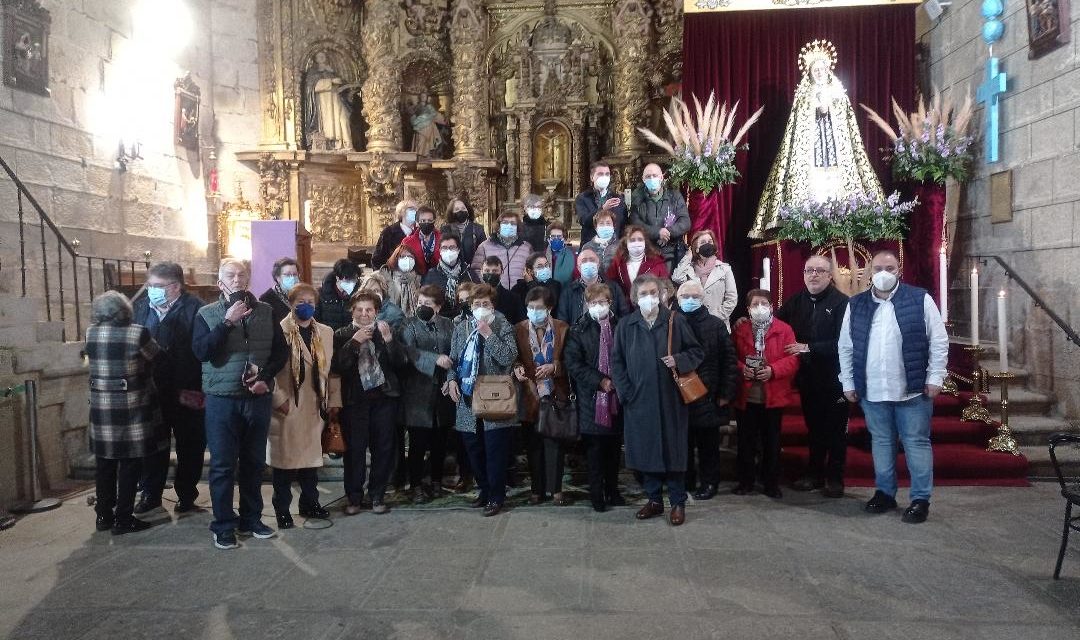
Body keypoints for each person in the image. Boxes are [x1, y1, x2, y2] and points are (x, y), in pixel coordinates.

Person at [838, 250, 948, 524]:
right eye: (878, 268)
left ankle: (920, 499)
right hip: (873, 388)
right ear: (869, 272)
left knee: (916, 442)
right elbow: (846, 346)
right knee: (882, 442)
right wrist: (848, 381)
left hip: (912, 389)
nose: (884, 273)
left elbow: (938, 339)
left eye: (890, 267)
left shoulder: (919, 298)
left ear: (899, 270)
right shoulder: (856, 304)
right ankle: (885, 493)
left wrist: (935, 377)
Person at [192, 259, 289, 550]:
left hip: (256, 397)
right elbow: (201, 351)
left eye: (241, 275)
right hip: (222, 400)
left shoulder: (267, 311)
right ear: (220, 281)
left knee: (254, 462)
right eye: (230, 276)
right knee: (222, 465)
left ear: (248, 279)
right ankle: (223, 525)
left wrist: (267, 379)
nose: (236, 280)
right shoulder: (206, 314)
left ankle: (251, 518)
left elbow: (280, 353)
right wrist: (227, 322)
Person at [751, 40, 885, 238]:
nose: (819, 72)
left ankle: (844, 222)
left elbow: (846, 124)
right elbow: (798, 129)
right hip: (811, 153)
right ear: (810, 73)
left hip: (835, 149)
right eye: (815, 69)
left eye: (822, 68)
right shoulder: (803, 95)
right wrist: (815, 104)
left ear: (827, 69)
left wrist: (828, 105)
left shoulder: (839, 93)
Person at [612, 274, 703, 526]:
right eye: (643, 294)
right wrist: (626, 392)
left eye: (653, 292)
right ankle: (653, 499)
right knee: (645, 451)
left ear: (662, 294)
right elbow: (616, 362)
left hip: (671, 398)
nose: (649, 298)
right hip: (638, 400)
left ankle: (677, 502)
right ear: (634, 298)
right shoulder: (626, 325)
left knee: (673, 451)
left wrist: (679, 360)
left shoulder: (675, 320)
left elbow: (696, 351)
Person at [86, 291, 166, 535]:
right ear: (125, 310)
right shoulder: (137, 332)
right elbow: (157, 357)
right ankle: (123, 518)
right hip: (131, 405)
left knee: (104, 464)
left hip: (102, 407)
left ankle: (103, 516)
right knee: (130, 464)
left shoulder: (91, 332)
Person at [131, 262, 206, 516]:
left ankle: (186, 494)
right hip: (152, 391)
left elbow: (200, 351)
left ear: (175, 287)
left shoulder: (196, 309)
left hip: (187, 390)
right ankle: (151, 494)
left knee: (190, 445)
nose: (151, 290)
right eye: (150, 285)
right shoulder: (140, 309)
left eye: (157, 286)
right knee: (153, 445)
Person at [776, 254, 850, 498]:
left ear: (830, 276)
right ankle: (814, 473)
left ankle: (835, 478)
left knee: (836, 430)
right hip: (808, 378)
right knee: (814, 428)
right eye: (810, 270)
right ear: (804, 274)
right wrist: (750, 322)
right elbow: (776, 326)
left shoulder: (842, 303)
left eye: (820, 270)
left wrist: (807, 347)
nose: (814, 275)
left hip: (835, 378)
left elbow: (845, 343)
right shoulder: (796, 301)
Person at [445, 284, 519, 517]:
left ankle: (496, 496)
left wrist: (489, 334)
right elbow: (454, 359)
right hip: (467, 399)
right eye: (476, 304)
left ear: (493, 305)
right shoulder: (462, 327)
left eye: (485, 304)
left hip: (494, 395)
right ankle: (484, 491)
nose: (480, 307)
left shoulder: (502, 325)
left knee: (495, 451)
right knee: (474, 450)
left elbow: (509, 356)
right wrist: (451, 380)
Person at [268, 283, 339, 529]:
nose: (306, 306)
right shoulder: (278, 331)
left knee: (311, 462)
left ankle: (310, 503)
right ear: (290, 303)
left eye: (310, 301)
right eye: (301, 302)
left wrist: (333, 403)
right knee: (285, 466)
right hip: (289, 406)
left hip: (315, 406)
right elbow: (266, 371)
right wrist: (279, 401)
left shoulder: (326, 332)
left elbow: (331, 370)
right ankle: (282, 510)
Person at [332, 291, 406, 515]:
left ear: (376, 312)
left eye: (369, 310)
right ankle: (354, 497)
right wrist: (354, 343)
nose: (364, 314)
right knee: (354, 451)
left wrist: (390, 341)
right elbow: (337, 367)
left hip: (383, 399)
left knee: (383, 449)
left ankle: (377, 495)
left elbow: (401, 364)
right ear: (352, 311)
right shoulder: (342, 334)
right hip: (355, 401)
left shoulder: (385, 331)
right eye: (360, 310)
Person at [731, 289, 800, 499]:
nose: (759, 307)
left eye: (763, 303)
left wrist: (773, 370)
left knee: (771, 442)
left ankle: (770, 482)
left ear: (771, 307)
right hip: (747, 395)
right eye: (755, 304)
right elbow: (729, 356)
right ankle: (745, 481)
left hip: (773, 395)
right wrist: (741, 368)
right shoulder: (740, 329)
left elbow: (793, 358)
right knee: (746, 442)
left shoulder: (784, 329)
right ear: (748, 309)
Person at [564, 283, 626, 512]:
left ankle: (613, 489)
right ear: (586, 305)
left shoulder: (622, 326)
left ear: (610, 303)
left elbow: (628, 357)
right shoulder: (578, 329)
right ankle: (596, 493)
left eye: (602, 302)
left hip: (617, 397)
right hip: (591, 397)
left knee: (613, 449)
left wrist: (618, 380)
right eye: (593, 303)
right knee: (595, 451)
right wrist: (600, 380)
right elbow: (573, 364)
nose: (598, 306)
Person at [676, 281, 738, 501]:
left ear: (702, 299)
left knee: (708, 445)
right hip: (679, 394)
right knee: (682, 443)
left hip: (708, 394)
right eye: (685, 296)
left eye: (694, 296)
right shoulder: (673, 321)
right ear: (678, 297)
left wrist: (726, 393)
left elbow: (729, 360)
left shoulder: (715, 324)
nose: (689, 300)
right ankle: (686, 480)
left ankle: (710, 482)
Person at [513, 287, 571, 506]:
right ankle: (536, 489)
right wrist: (516, 367)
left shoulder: (562, 328)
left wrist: (554, 367)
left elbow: (571, 361)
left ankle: (556, 489)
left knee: (554, 443)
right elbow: (514, 357)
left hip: (555, 393)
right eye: (531, 307)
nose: (534, 311)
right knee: (533, 444)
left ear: (549, 308)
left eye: (539, 308)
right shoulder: (518, 328)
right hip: (529, 393)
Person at [400, 286, 457, 501]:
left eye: (428, 304)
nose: (423, 307)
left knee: (440, 441)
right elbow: (408, 352)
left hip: (442, 390)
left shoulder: (448, 324)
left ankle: (436, 481)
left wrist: (450, 377)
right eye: (420, 303)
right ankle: (415, 484)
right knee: (417, 443)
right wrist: (434, 359)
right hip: (417, 391)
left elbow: (454, 353)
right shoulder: (408, 324)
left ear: (439, 307)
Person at [629, 163, 691, 274]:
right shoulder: (637, 200)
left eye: (655, 175)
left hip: (672, 252)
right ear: (643, 179)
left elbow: (685, 222)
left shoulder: (675, 196)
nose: (652, 179)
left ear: (661, 177)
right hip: (647, 253)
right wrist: (657, 232)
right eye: (648, 176)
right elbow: (635, 224)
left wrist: (668, 232)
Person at [671, 230, 738, 331]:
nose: (707, 244)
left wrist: (712, 317)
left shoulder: (724, 269)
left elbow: (732, 299)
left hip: (718, 325)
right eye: (703, 242)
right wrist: (688, 257)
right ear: (696, 249)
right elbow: (677, 277)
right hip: (693, 326)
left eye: (710, 241)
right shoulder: (689, 269)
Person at [556, 247, 628, 323]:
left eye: (592, 260)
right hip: (578, 333)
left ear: (598, 264)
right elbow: (562, 321)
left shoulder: (613, 287)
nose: (588, 263)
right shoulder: (568, 291)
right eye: (584, 261)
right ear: (578, 268)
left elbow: (624, 315)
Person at [423, 232, 480, 319]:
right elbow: (426, 300)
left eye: (452, 247)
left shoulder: (469, 273)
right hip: (440, 321)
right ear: (440, 251)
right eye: (444, 248)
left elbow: (478, 296)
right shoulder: (431, 275)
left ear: (458, 249)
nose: (448, 251)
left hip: (466, 320)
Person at [606, 225, 669, 301]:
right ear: (626, 242)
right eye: (632, 240)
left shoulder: (657, 262)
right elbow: (611, 286)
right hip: (626, 308)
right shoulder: (618, 262)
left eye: (640, 239)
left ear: (645, 242)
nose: (636, 243)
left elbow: (664, 287)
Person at [470, 211, 532, 288]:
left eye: (513, 223)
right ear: (499, 226)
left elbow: (531, 269)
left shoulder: (526, 247)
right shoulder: (485, 246)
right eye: (505, 223)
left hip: (521, 293)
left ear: (517, 227)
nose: (509, 226)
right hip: (493, 293)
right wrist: (486, 285)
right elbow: (475, 269)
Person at [575, 160, 627, 244]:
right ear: (592, 177)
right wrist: (603, 209)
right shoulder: (583, 198)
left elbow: (622, 224)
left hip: (613, 247)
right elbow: (584, 220)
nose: (604, 177)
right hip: (590, 246)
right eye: (600, 174)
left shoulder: (618, 199)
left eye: (607, 174)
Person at [479, 256, 526, 326]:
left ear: (502, 272)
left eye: (495, 271)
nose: (491, 274)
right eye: (487, 271)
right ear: (481, 272)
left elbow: (522, 323)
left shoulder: (513, 298)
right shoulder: (474, 297)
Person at [316, 258, 361, 331]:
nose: (351, 283)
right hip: (328, 337)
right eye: (347, 279)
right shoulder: (320, 295)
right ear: (337, 278)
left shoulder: (359, 295)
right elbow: (315, 322)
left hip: (352, 338)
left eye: (354, 279)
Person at [441, 198, 487, 269]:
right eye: (457, 209)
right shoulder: (446, 229)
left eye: (463, 208)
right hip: (452, 269)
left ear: (468, 210)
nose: (460, 211)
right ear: (452, 212)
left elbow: (483, 252)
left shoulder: (478, 229)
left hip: (473, 270)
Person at [372, 199, 419, 269]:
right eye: (412, 209)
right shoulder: (388, 232)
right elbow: (377, 260)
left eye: (416, 209)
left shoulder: (419, 232)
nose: (415, 212)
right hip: (392, 275)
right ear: (402, 212)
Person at [380, 244, 422, 318]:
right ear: (396, 258)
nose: (407, 259)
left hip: (413, 321)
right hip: (390, 319)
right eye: (402, 256)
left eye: (410, 257)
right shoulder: (386, 277)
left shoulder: (419, 279)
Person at [400, 205, 441, 275]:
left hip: (439, 278)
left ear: (434, 221)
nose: (426, 223)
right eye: (423, 221)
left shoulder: (443, 239)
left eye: (430, 220)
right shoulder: (407, 242)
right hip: (417, 279)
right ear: (417, 222)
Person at [259, 257, 300, 324]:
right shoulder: (266, 299)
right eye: (287, 275)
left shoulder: (302, 295)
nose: (292, 278)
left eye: (295, 274)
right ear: (278, 277)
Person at [579, 209, 620, 274]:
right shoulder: (587, 247)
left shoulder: (621, 246)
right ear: (596, 228)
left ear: (613, 226)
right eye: (601, 224)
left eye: (608, 223)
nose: (605, 226)